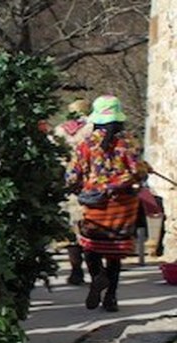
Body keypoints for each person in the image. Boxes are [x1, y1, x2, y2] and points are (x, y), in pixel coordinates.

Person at [66, 95, 148, 312]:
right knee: (114, 253)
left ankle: (97, 276)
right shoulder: (128, 143)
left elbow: (72, 176)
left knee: (91, 246)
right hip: (123, 205)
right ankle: (111, 297)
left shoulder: (86, 144)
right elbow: (139, 172)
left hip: (95, 204)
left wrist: (79, 187)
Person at [54, 99, 94, 285]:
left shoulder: (59, 130)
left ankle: (76, 270)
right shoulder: (93, 128)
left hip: (67, 184)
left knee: (72, 227)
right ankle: (94, 271)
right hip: (90, 183)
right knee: (90, 227)